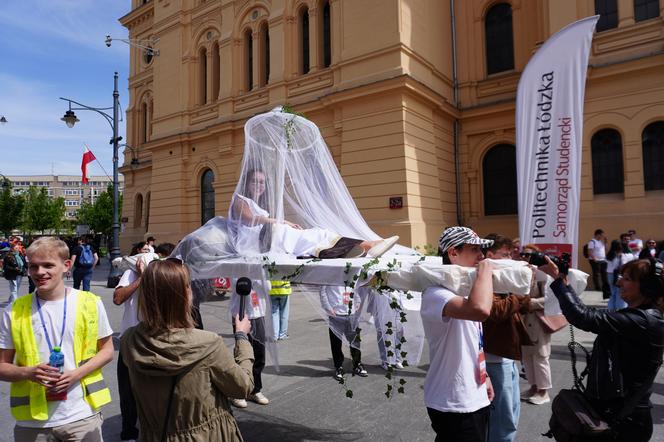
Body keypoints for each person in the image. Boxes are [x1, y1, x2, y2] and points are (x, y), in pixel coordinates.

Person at [121, 259, 255, 441]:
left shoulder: (129, 340)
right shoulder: (208, 344)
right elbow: (243, 387)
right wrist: (242, 337)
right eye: (188, 285)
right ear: (183, 294)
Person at [0, 237, 113, 441]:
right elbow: (2, 366)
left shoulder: (90, 303)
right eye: (33, 266)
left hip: (81, 415)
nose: (39, 272)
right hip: (32, 422)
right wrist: (28, 372)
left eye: (48, 265)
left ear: (66, 265)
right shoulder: (14, 311)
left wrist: (76, 374)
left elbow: (107, 351)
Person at [541, 258, 664, 442]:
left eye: (627, 279)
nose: (618, 282)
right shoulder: (637, 317)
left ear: (648, 287)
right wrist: (564, 283)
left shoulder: (644, 321)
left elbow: (583, 317)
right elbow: (585, 313)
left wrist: (558, 281)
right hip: (611, 413)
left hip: (626, 423)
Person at [420, 226, 495, 442]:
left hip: (474, 395)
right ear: (453, 253)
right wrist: (485, 271)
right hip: (453, 402)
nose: (482, 256)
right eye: (474, 250)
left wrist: (484, 376)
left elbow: (473, 343)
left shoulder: (463, 291)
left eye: (482, 250)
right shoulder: (436, 294)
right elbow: (480, 310)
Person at [230, 169, 399, 258]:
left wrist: (280, 223)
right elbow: (249, 218)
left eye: (262, 182)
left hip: (270, 236)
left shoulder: (256, 203)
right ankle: (366, 245)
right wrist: (282, 222)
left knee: (317, 235)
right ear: (247, 182)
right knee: (314, 237)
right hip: (260, 242)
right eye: (255, 181)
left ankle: (359, 247)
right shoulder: (240, 199)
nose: (260, 185)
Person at [482, 234, 533, 442]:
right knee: (502, 419)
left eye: (510, 255)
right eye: (504, 255)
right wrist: (519, 290)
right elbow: (496, 310)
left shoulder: (504, 276)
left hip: (506, 355)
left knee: (511, 412)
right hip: (494, 356)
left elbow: (526, 305)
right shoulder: (486, 278)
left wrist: (522, 284)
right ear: (490, 255)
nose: (510, 259)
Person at [112, 242, 154, 441]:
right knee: (127, 390)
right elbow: (118, 298)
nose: (147, 254)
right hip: (130, 341)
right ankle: (129, 431)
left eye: (150, 251)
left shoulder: (159, 271)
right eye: (144, 251)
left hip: (154, 342)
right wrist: (141, 278)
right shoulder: (130, 273)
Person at [519, 244, 553, 405]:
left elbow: (549, 299)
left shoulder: (543, 276)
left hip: (538, 321)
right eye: (523, 254)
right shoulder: (520, 273)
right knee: (527, 356)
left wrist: (529, 303)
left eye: (528, 255)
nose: (525, 257)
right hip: (524, 321)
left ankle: (543, 391)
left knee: (540, 355)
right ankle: (533, 387)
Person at [229, 279, 270, 408]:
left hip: (258, 314)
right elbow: (239, 285)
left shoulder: (261, 267)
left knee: (259, 353)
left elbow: (268, 287)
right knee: (242, 353)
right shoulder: (238, 265)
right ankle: (238, 392)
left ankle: (255, 389)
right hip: (241, 313)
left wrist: (258, 279)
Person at [320, 285, 368, 381]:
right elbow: (322, 291)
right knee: (336, 342)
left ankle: (357, 364)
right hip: (336, 314)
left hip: (351, 313)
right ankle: (338, 367)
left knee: (355, 340)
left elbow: (354, 288)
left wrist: (357, 300)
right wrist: (328, 307)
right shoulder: (330, 274)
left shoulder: (349, 273)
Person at [606, 239, 636, 311]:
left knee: (612, 293)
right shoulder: (621, 255)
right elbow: (623, 265)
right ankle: (620, 308)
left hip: (609, 274)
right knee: (620, 292)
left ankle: (611, 309)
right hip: (618, 275)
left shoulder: (609, 255)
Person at [587, 229, 611, 299]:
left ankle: (605, 287)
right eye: (602, 235)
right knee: (596, 274)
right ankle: (598, 287)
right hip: (595, 260)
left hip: (603, 260)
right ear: (598, 234)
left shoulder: (601, 242)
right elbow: (590, 252)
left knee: (604, 274)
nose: (603, 236)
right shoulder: (592, 242)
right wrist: (595, 259)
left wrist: (606, 242)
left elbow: (606, 249)